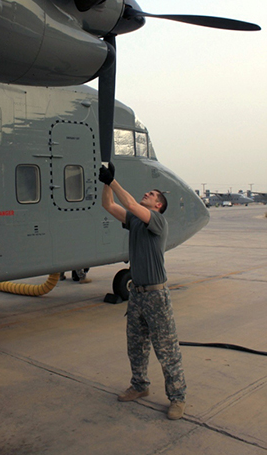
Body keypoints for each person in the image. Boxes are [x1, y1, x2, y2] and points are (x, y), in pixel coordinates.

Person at [99, 162, 186, 420]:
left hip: (156, 296)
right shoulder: (136, 221)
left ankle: (178, 398)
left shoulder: (157, 221)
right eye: (147, 192)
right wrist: (106, 183)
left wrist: (114, 181)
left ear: (158, 205)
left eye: (152, 195)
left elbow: (131, 205)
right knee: (136, 345)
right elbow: (109, 206)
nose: (147, 194)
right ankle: (140, 386)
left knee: (166, 350)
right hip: (136, 294)